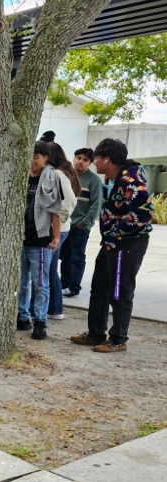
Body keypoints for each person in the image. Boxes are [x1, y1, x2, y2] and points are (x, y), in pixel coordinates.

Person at [71, 138, 152, 353]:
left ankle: (118, 339)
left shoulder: (131, 181)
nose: (94, 162)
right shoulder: (111, 178)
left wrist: (116, 232)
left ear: (107, 159)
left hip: (127, 244)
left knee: (119, 291)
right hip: (111, 243)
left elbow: (144, 213)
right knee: (99, 287)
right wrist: (109, 234)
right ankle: (96, 332)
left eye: (97, 158)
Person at [17, 141, 61, 340]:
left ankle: (40, 322)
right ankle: (22, 316)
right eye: (30, 156)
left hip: (41, 240)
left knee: (40, 283)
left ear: (45, 158)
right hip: (20, 239)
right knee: (21, 282)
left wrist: (57, 236)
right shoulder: (20, 176)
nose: (32, 161)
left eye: (36, 157)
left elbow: (55, 210)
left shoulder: (51, 178)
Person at [61, 148, 104, 298]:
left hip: (79, 226)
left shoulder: (94, 180)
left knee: (76, 256)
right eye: (78, 158)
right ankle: (64, 284)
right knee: (64, 256)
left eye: (85, 160)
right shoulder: (66, 176)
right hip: (64, 223)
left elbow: (96, 205)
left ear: (90, 163)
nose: (80, 162)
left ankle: (73, 286)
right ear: (73, 158)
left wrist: (84, 223)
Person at [46, 141, 78, 320]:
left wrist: (57, 222)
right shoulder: (57, 173)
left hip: (58, 230)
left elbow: (69, 201)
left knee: (49, 271)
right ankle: (54, 309)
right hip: (59, 228)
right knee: (50, 270)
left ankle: (55, 309)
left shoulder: (58, 174)